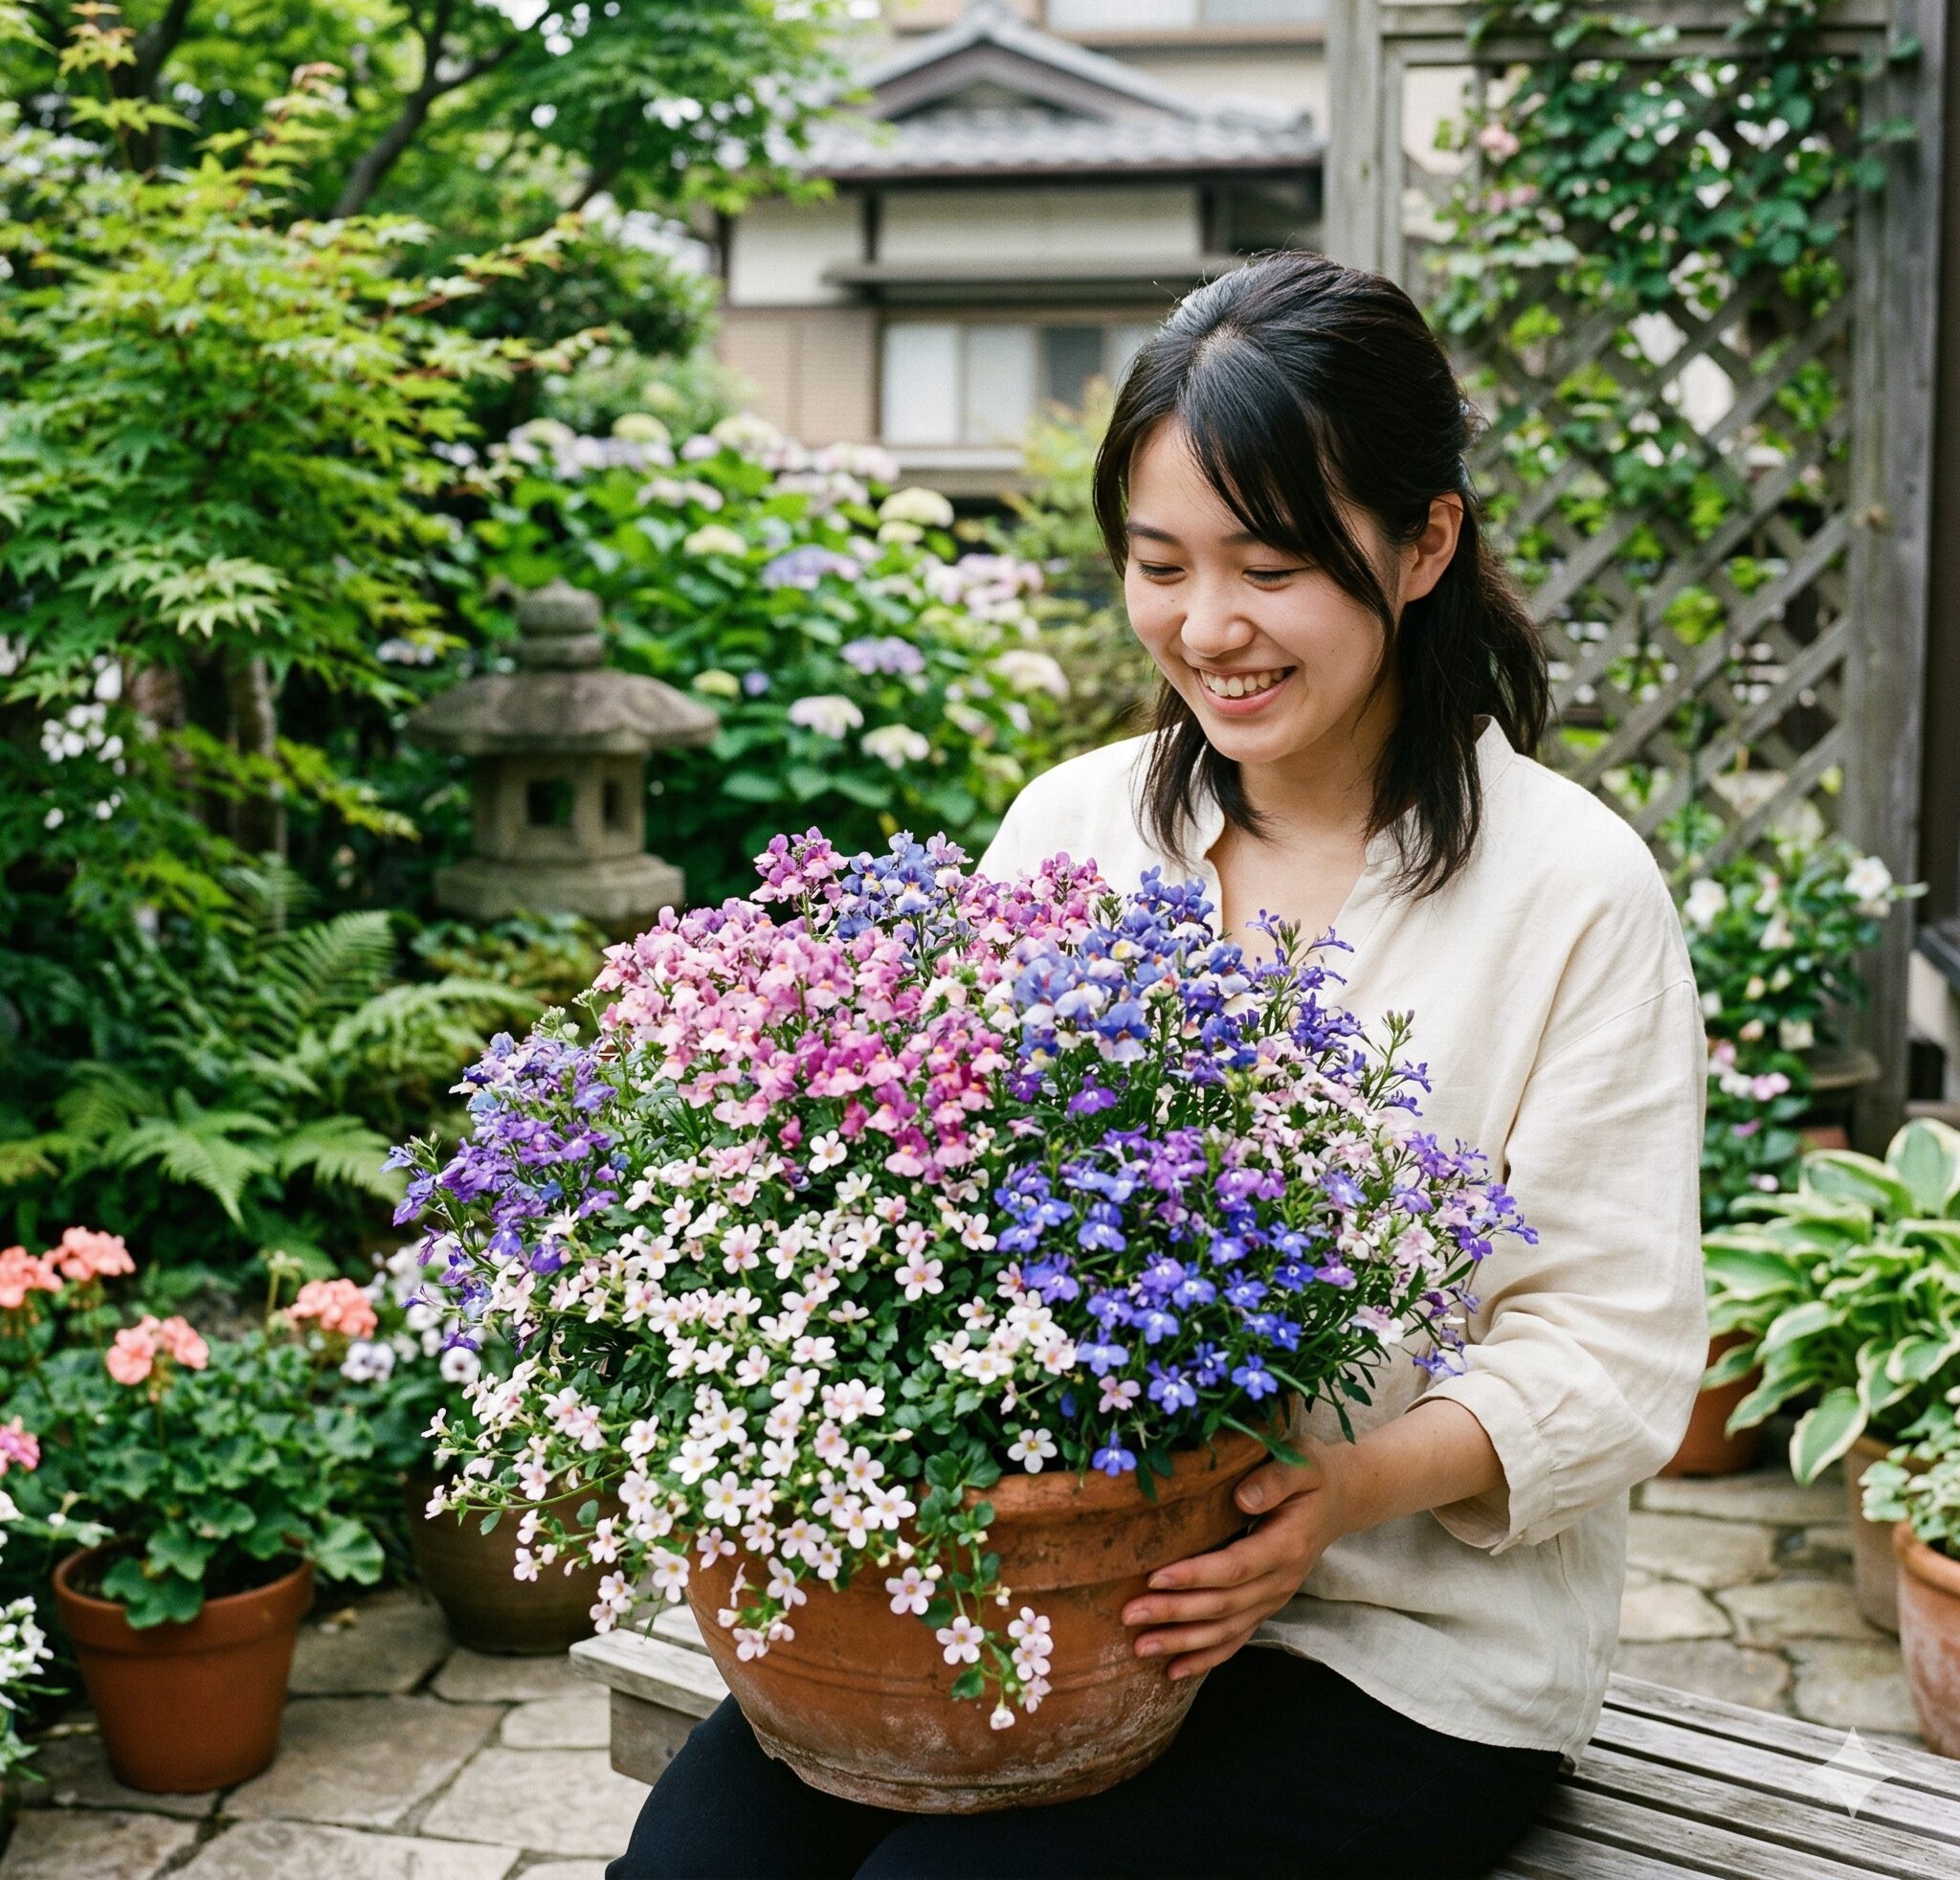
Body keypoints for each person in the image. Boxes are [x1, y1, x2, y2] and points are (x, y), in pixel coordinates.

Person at [609, 250, 1709, 1880]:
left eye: (1270, 566)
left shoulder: (1573, 890)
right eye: (1159, 563)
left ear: (1424, 544)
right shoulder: (1073, 828)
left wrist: (1330, 1496)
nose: (1210, 629)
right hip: (1054, 1581)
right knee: (699, 1867)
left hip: (1397, 1648)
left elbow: (1612, 1353)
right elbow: (945, 1187)